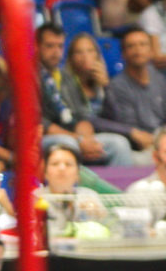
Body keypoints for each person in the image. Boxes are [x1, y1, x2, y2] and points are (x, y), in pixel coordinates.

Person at [37, 23, 134, 166]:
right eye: (49, 46)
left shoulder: (65, 76)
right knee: (69, 144)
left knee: (119, 144)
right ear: (36, 46)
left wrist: (88, 140)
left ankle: (113, 183)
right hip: (45, 138)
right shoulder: (29, 77)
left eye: (60, 46)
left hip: (73, 136)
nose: (56, 52)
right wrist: (79, 140)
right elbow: (40, 123)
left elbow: (82, 117)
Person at [101, 26, 166, 161]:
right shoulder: (117, 86)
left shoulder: (160, 80)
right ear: (123, 54)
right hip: (139, 149)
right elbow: (132, 130)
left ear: (151, 50)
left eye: (142, 44)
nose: (138, 50)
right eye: (131, 46)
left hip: (163, 143)